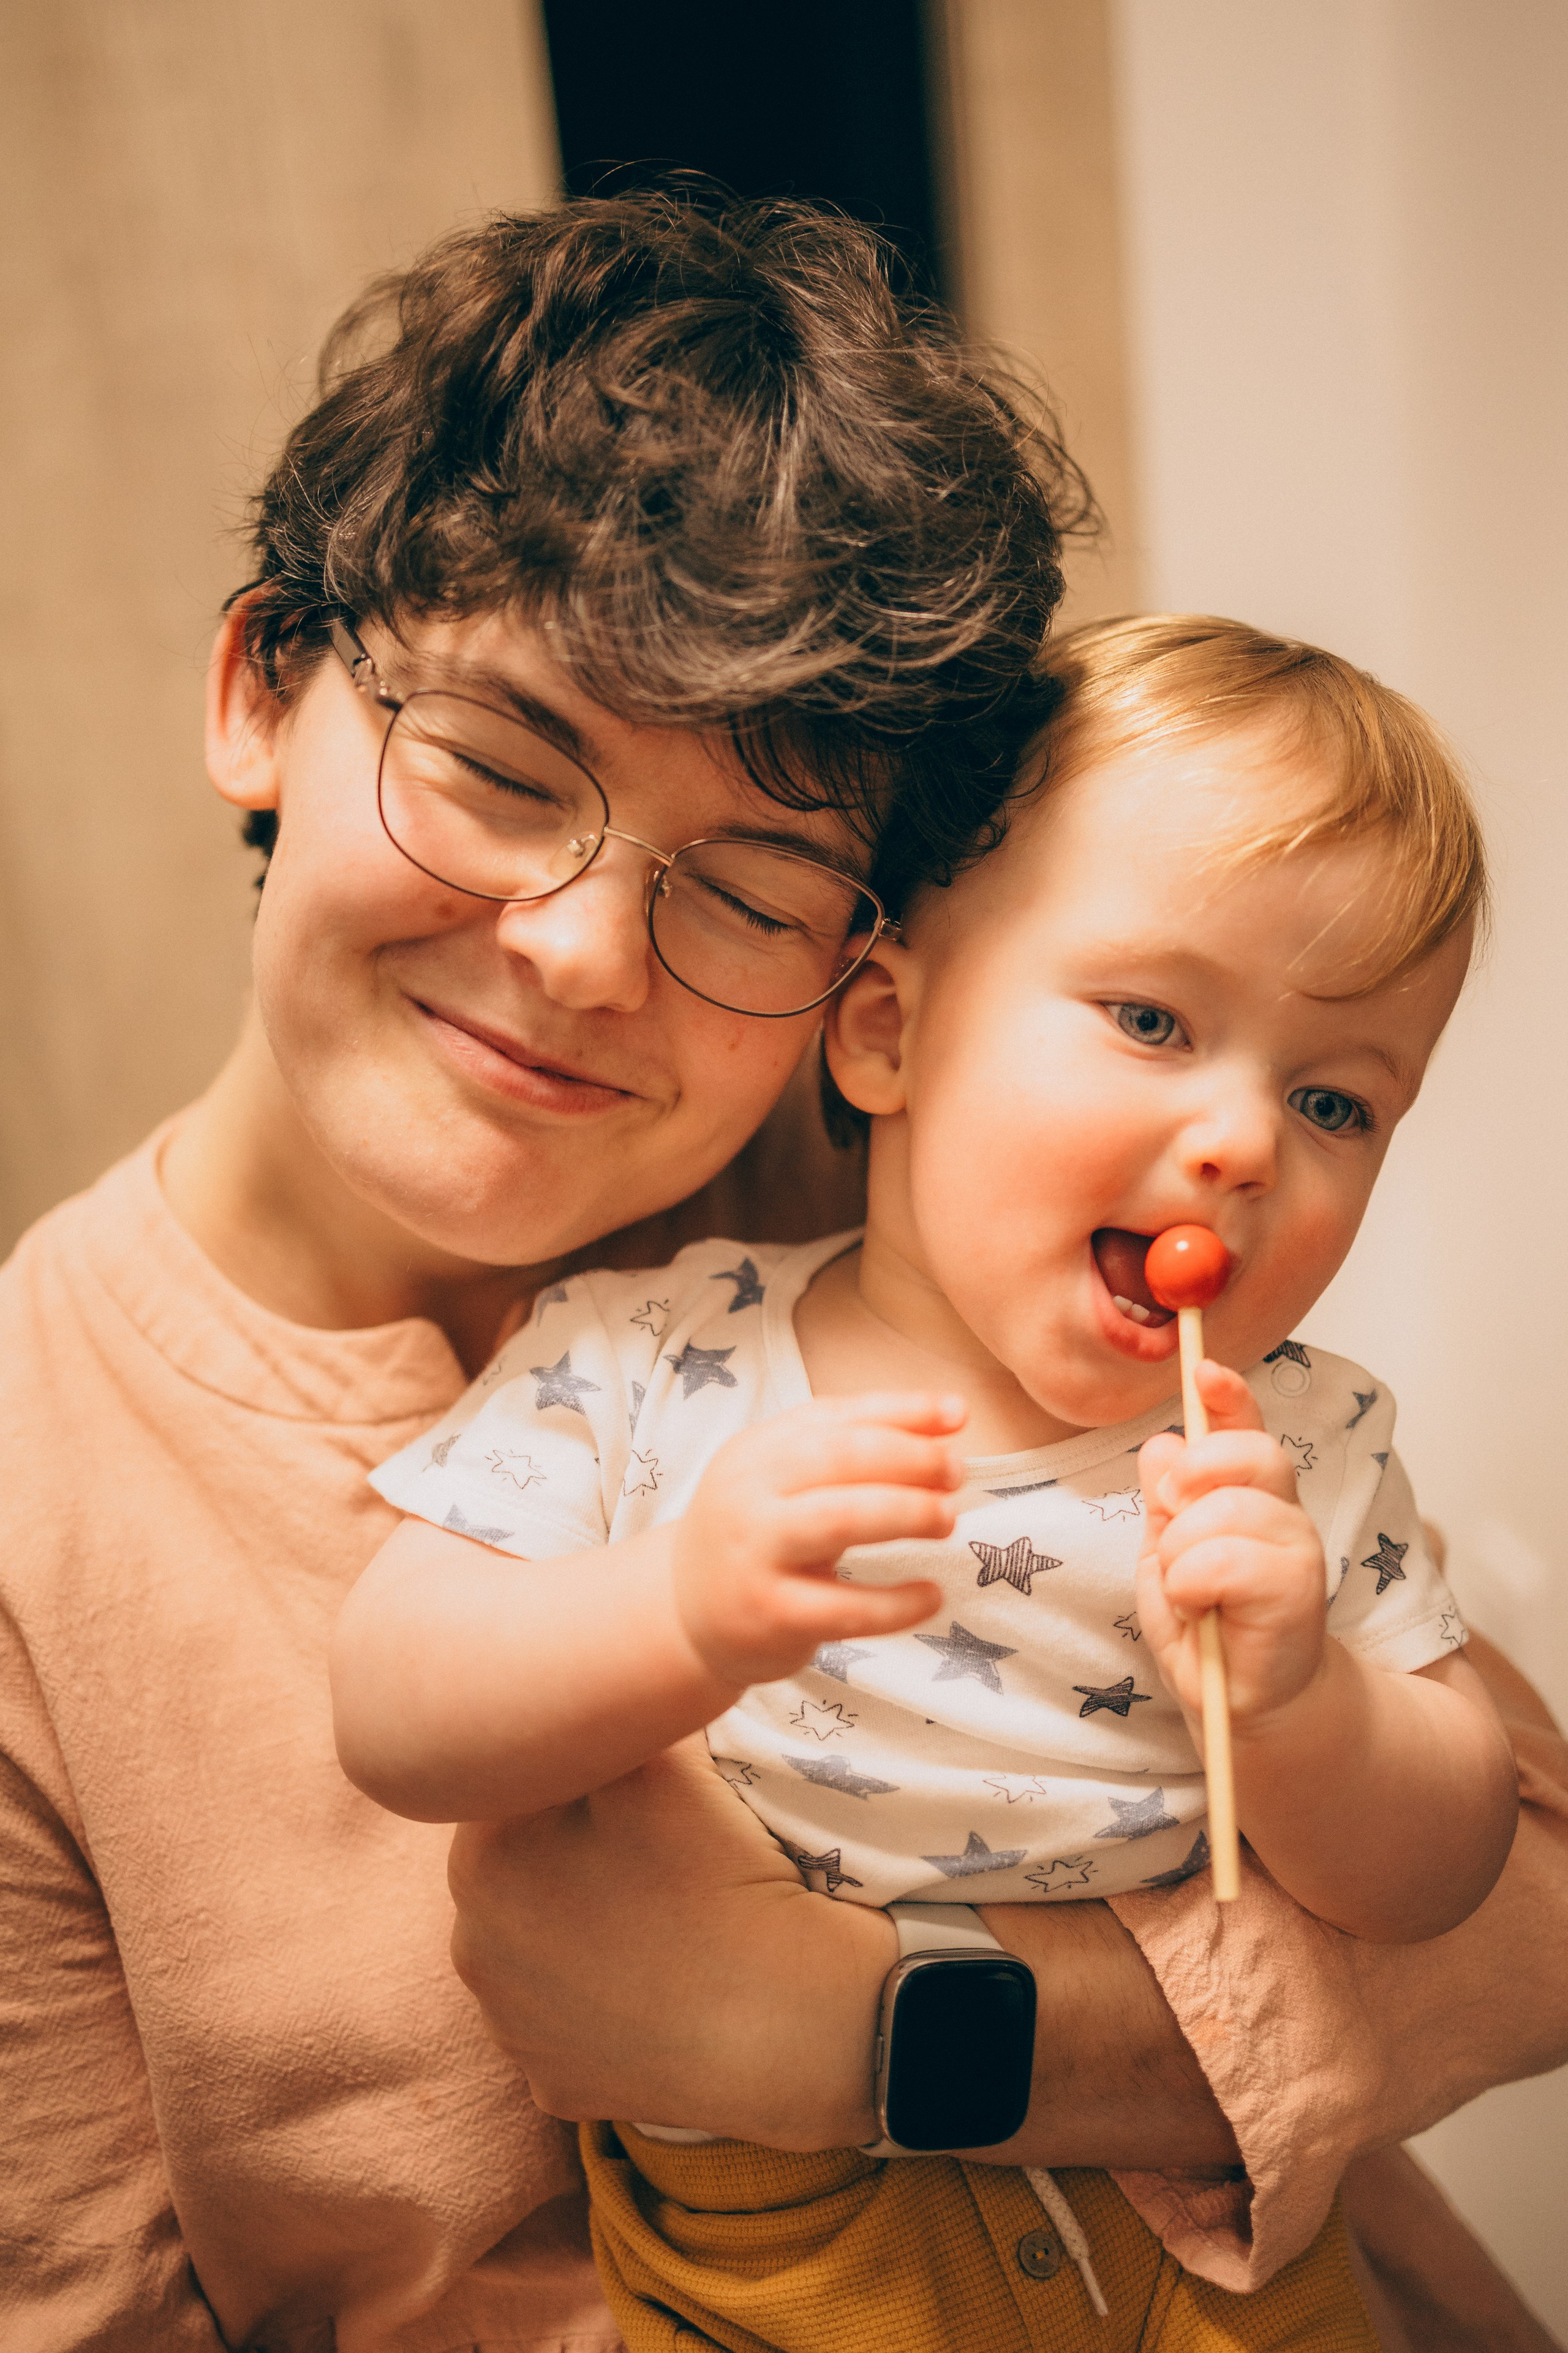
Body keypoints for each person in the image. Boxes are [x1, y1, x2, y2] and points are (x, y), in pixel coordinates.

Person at [0, 190, 1562, 2353]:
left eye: (749, 886)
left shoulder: (965, 1216)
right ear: (268, 687)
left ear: (867, 983)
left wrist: (852, 2033)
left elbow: (1531, 1902)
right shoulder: (50, 1491)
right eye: (490, 763)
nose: (575, 948)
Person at [331, 615, 1517, 2350]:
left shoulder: (1298, 1442)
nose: (1247, 1140)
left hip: (1214, 2238)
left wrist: (1309, 1705)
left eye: (1337, 1102)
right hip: (782, 2250)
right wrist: (674, 1608)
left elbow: (1453, 1862)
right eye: (1150, 1016)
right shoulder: (658, 1353)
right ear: (883, 1027)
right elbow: (393, 1705)